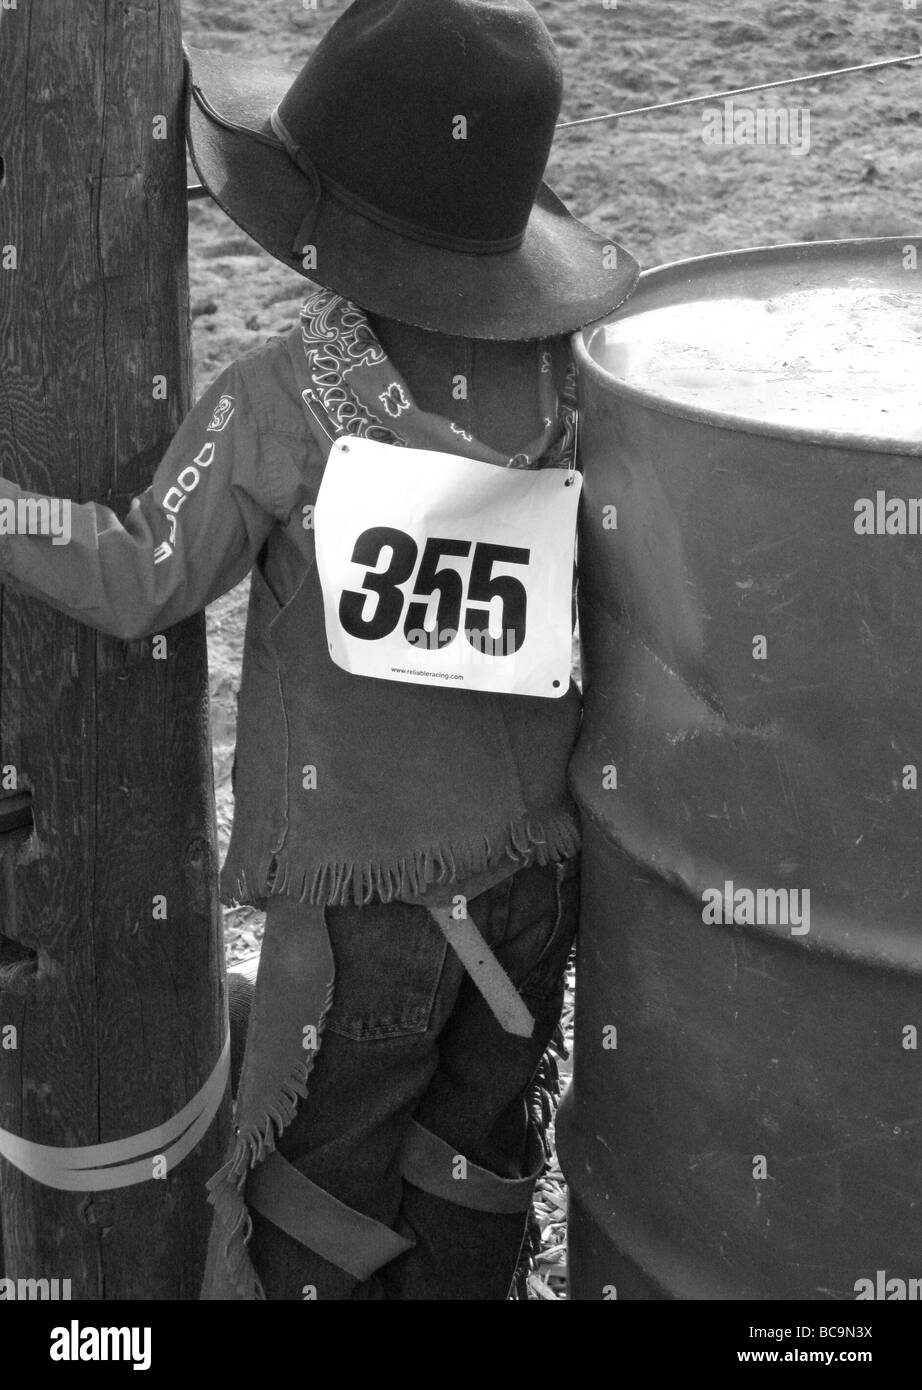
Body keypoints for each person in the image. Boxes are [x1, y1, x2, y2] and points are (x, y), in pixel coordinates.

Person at [0, 0, 637, 1299]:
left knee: (309, 1176)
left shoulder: (284, 402)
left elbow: (137, 578)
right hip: (536, 887)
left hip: (360, 916)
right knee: (479, 1147)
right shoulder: (582, 391)